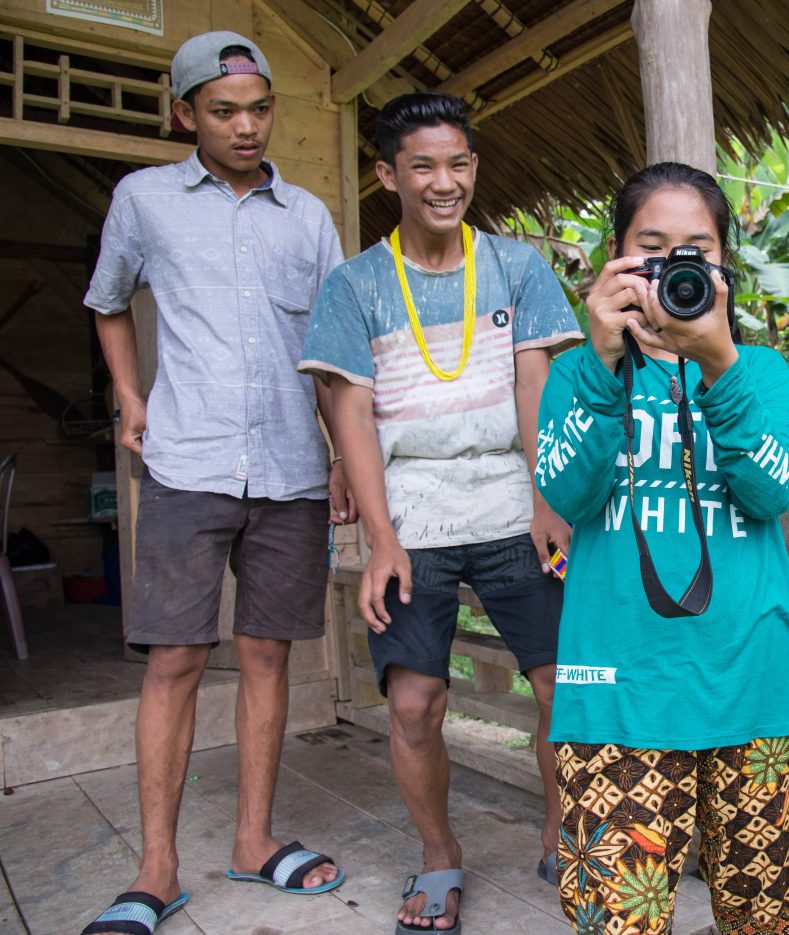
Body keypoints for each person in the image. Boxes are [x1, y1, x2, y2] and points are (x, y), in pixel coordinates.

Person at [82, 30, 351, 935]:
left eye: (261, 108)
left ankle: (253, 840)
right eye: (226, 111)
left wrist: (343, 454)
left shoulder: (308, 215)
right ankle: (156, 868)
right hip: (189, 462)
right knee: (175, 658)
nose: (247, 127)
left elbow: (331, 351)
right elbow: (108, 300)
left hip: (289, 467)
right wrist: (129, 395)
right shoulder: (144, 200)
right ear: (186, 113)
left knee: (270, 653)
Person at [298, 91, 581, 934]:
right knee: (416, 702)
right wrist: (378, 539)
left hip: (508, 502)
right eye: (422, 165)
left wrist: (546, 497)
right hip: (411, 513)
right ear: (389, 174)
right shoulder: (355, 285)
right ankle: (437, 853)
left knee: (564, 689)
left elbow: (535, 384)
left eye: (458, 162)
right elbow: (349, 410)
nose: (444, 180)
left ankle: (561, 830)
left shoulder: (517, 268)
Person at [535, 162, 789, 935]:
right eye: (651, 250)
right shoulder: (576, 374)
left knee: (769, 919)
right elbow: (564, 493)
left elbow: (770, 491)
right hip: (617, 689)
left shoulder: (760, 371)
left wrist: (719, 362)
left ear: (723, 265)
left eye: (694, 251)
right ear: (614, 261)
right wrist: (599, 367)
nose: (673, 269)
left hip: (749, 685)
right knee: (616, 921)